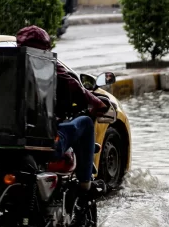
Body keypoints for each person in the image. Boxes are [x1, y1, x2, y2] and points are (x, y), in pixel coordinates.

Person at [16, 26, 108, 198]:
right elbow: (74, 87)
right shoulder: (44, 63)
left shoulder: (5, 65)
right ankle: (85, 185)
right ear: (45, 48)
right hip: (39, 142)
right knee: (86, 123)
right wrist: (97, 103)